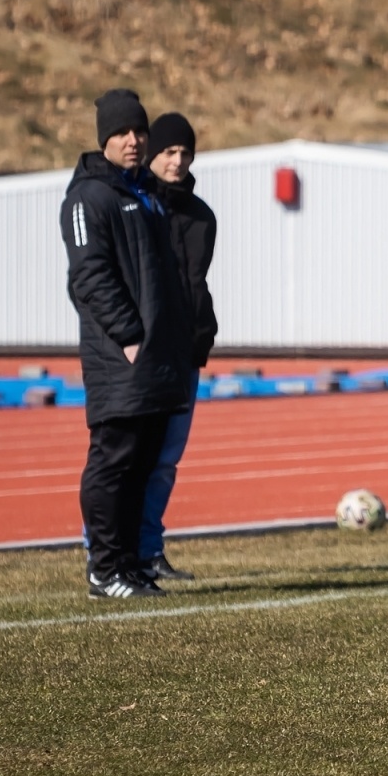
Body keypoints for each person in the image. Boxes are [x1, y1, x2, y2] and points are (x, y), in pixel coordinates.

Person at [61, 88, 194, 599]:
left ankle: (131, 563)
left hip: (158, 356)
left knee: (141, 462)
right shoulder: (87, 198)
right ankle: (104, 567)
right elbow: (90, 277)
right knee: (113, 460)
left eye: (139, 131)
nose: (134, 141)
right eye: (122, 133)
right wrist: (130, 336)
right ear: (104, 140)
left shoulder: (144, 195)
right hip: (122, 358)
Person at [135, 112, 219, 582]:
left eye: (185, 152)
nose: (178, 160)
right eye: (169, 151)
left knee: (166, 460)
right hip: (145, 352)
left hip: (186, 351)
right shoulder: (136, 205)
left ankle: (149, 549)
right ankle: (109, 553)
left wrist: (201, 333)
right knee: (132, 457)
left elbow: (195, 282)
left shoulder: (201, 215)